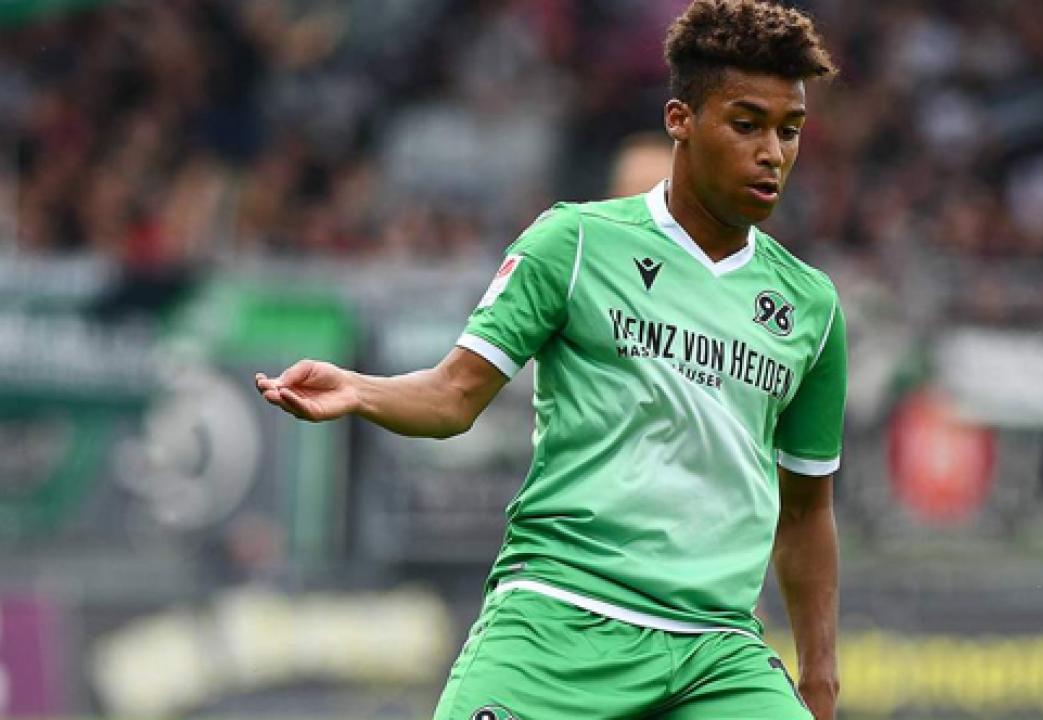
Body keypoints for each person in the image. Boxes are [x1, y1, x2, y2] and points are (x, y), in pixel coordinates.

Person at [256, 1, 846, 718]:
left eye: (789, 130)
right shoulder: (574, 243)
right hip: (559, 618)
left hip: (715, 652)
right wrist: (358, 389)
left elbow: (806, 509)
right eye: (747, 124)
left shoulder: (810, 307)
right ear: (680, 120)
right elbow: (452, 397)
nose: (773, 153)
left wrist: (819, 676)